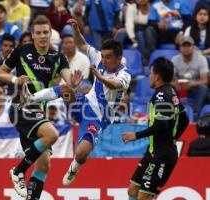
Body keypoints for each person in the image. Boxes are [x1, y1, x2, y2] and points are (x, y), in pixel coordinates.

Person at [21, 18, 131, 186]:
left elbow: (115, 84)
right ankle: (32, 98)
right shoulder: (100, 59)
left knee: (81, 154)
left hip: (98, 119)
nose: (104, 60)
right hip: (84, 103)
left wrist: (100, 77)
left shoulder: (124, 74)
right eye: (103, 56)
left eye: (109, 58)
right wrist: (76, 30)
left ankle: (75, 167)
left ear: (118, 58)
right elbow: (83, 45)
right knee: (66, 89)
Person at [0, 15, 75, 199]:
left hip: (38, 110)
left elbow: (70, 81)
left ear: (51, 34)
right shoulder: (22, 50)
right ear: (33, 35)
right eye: (38, 33)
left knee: (44, 164)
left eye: (45, 32)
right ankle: (18, 171)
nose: (42, 36)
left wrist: (75, 83)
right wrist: (15, 79)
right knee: (52, 134)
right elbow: (1, 74)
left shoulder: (57, 57)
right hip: (21, 106)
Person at [121, 57, 189, 200]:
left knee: (144, 197)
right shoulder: (172, 93)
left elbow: (161, 124)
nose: (149, 76)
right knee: (132, 190)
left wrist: (136, 135)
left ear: (157, 76)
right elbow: (185, 120)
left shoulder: (161, 95)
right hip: (153, 153)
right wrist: (173, 138)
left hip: (161, 156)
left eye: (151, 73)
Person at [172, 36, 209, 115]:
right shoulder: (174, 60)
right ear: (180, 48)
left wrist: (192, 83)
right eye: (184, 46)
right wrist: (175, 83)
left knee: (203, 88)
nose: (186, 48)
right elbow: (170, 79)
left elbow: (205, 80)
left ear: (193, 47)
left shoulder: (201, 59)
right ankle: (171, 113)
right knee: (168, 87)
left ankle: (195, 113)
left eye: (189, 45)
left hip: (194, 89)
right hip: (179, 88)